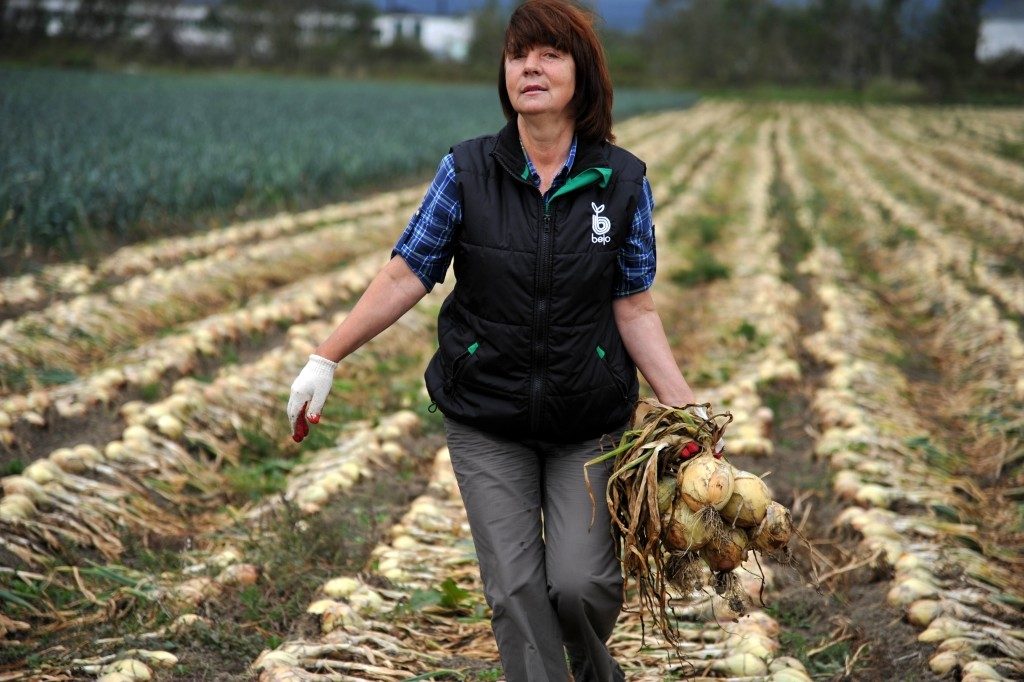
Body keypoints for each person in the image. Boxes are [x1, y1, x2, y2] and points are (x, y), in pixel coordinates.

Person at [287, 1, 708, 679]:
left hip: (588, 419)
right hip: (488, 416)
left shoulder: (622, 181)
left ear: (583, 74)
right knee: (514, 590)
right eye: (518, 55)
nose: (530, 67)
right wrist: (325, 354)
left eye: (550, 54)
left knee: (580, 586)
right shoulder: (468, 170)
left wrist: (686, 408)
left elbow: (634, 307)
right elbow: (407, 273)